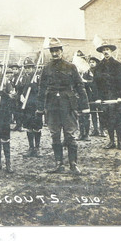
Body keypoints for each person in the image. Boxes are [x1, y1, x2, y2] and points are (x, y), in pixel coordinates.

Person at [36, 38, 90, 174]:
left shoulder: (71, 67)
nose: (55, 54)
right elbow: (41, 89)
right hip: (52, 105)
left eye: (57, 51)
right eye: (52, 51)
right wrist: (40, 107)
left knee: (70, 135)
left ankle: (73, 164)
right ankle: (58, 163)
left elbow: (80, 86)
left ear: (61, 51)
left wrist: (85, 106)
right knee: (55, 134)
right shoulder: (46, 68)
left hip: (68, 105)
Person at [93, 41, 121, 150]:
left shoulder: (118, 65)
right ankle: (111, 141)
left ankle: (119, 142)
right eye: (103, 50)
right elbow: (95, 84)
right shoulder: (99, 66)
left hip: (116, 98)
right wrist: (98, 98)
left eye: (107, 50)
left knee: (118, 120)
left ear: (111, 51)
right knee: (108, 120)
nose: (105, 52)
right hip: (105, 98)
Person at [19, 57, 42, 157]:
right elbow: (19, 89)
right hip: (26, 105)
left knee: (36, 127)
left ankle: (37, 148)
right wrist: (20, 96)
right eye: (26, 67)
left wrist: (35, 87)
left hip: (35, 105)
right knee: (28, 127)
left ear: (33, 68)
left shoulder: (37, 77)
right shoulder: (23, 78)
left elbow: (41, 91)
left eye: (29, 67)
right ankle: (31, 147)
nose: (27, 69)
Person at [82, 57, 103, 137]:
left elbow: (100, 83)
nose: (91, 63)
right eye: (90, 62)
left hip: (99, 95)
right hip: (90, 95)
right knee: (93, 113)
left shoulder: (100, 72)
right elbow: (83, 83)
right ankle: (95, 129)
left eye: (93, 62)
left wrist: (88, 82)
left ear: (96, 63)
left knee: (101, 113)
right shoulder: (86, 73)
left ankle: (102, 130)